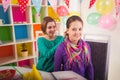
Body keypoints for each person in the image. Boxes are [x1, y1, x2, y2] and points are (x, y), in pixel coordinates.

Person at [54, 16, 94, 80]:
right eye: (74, 29)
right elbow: (56, 71)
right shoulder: (61, 48)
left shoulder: (86, 46)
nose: (77, 32)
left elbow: (89, 67)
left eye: (80, 29)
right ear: (67, 30)